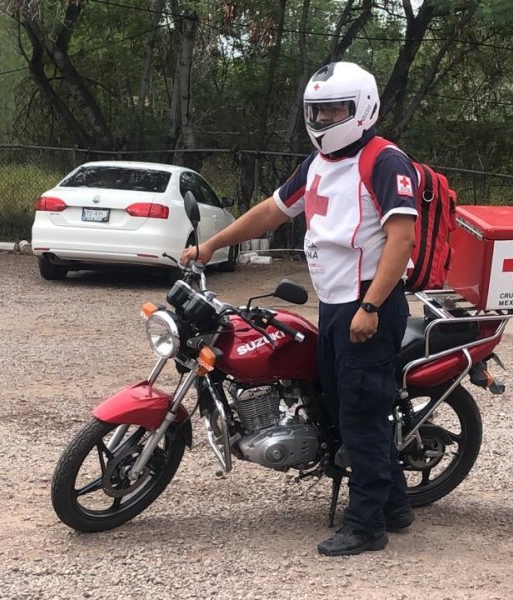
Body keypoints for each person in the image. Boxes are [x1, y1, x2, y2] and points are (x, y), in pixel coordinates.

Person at [180, 61, 418, 556]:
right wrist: (213, 245)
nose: (326, 120)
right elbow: (272, 210)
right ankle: (394, 504)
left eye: (336, 110)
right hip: (333, 306)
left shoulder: (385, 161)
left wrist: (371, 306)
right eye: (318, 111)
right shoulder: (316, 165)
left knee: (361, 415)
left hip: (368, 305)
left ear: (363, 109)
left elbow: (402, 237)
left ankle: (367, 525)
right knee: (337, 406)